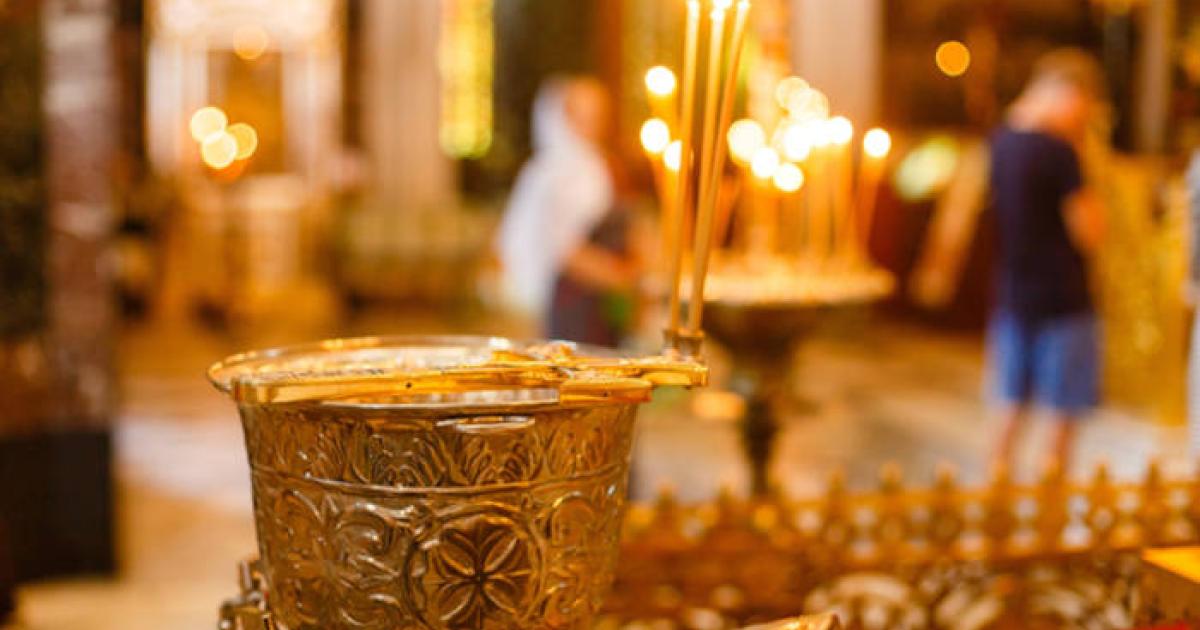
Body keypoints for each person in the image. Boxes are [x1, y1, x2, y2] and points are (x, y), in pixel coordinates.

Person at [988, 49, 1107, 474]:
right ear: (1068, 93)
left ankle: (996, 495)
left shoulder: (1001, 140)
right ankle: (1050, 503)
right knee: (1062, 414)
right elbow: (1088, 232)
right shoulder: (1060, 151)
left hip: (1013, 292)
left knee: (1009, 407)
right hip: (1063, 298)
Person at [497, 77, 643, 347]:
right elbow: (564, 249)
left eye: (598, 114)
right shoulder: (556, 173)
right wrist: (621, 278)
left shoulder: (596, 164)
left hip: (598, 301)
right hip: (573, 302)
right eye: (583, 115)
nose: (594, 123)